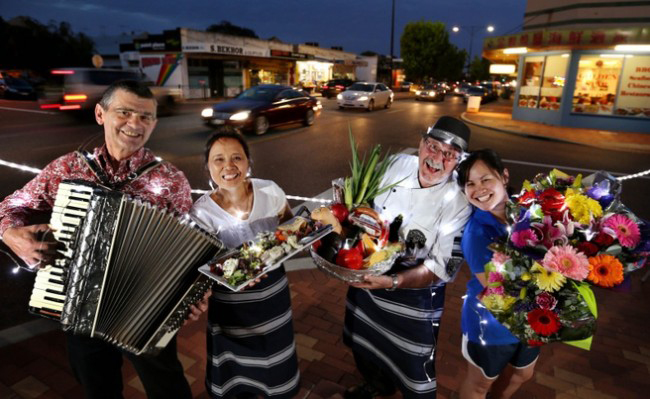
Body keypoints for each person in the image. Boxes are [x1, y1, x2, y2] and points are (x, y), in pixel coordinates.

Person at [0, 80, 201, 399]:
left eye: (145, 116)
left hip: (146, 310)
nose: (135, 123)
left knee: (168, 387)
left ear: (154, 124)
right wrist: (10, 233)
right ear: (100, 114)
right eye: (124, 112)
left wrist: (188, 295)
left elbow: (189, 248)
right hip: (78, 307)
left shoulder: (170, 179)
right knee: (98, 388)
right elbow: (11, 206)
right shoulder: (67, 168)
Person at [343, 116, 473, 399]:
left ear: (459, 161)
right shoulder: (395, 165)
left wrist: (392, 281)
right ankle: (376, 384)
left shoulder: (460, 200)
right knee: (363, 341)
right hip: (368, 273)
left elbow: (441, 267)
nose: (437, 158)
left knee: (414, 360)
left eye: (449, 154)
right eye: (433, 147)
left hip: (415, 296)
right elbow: (362, 202)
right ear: (421, 144)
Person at [190, 129, 300, 399]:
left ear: (248, 161)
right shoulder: (201, 213)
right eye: (218, 159)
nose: (228, 166)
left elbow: (289, 227)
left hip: (274, 300)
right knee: (233, 379)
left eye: (236, 157)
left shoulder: (269, 190)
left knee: (277, 373)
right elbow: (201, 268)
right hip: (231, 311)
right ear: (208, 167)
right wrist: (237, 270)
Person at [457, 149, 539, 399]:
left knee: (523, 374)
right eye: (470, 184)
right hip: (493, 325)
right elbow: (499, 293)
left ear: (504, 176)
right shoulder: (477, 234)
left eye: (485, 179)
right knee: (480, 384)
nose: (478, 189)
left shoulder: (528, 208)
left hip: (535, 317)